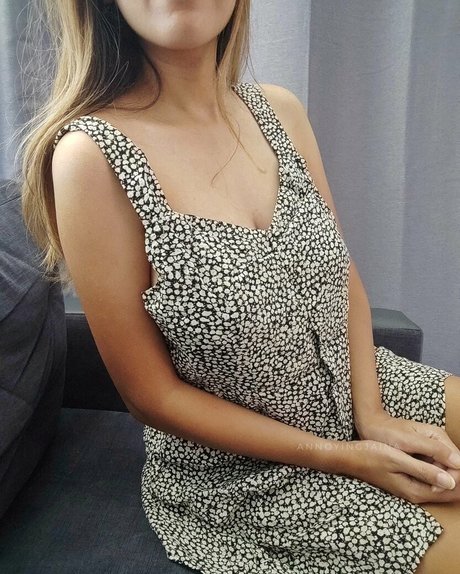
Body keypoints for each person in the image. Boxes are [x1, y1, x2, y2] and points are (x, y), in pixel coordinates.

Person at [18, 1, 460, 572]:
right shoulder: (89, 158)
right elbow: (150, 396)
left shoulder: (279, 111)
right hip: (245, 472)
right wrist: (342, 456)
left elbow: (342, 275)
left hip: (356, 387)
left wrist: (371, 414)